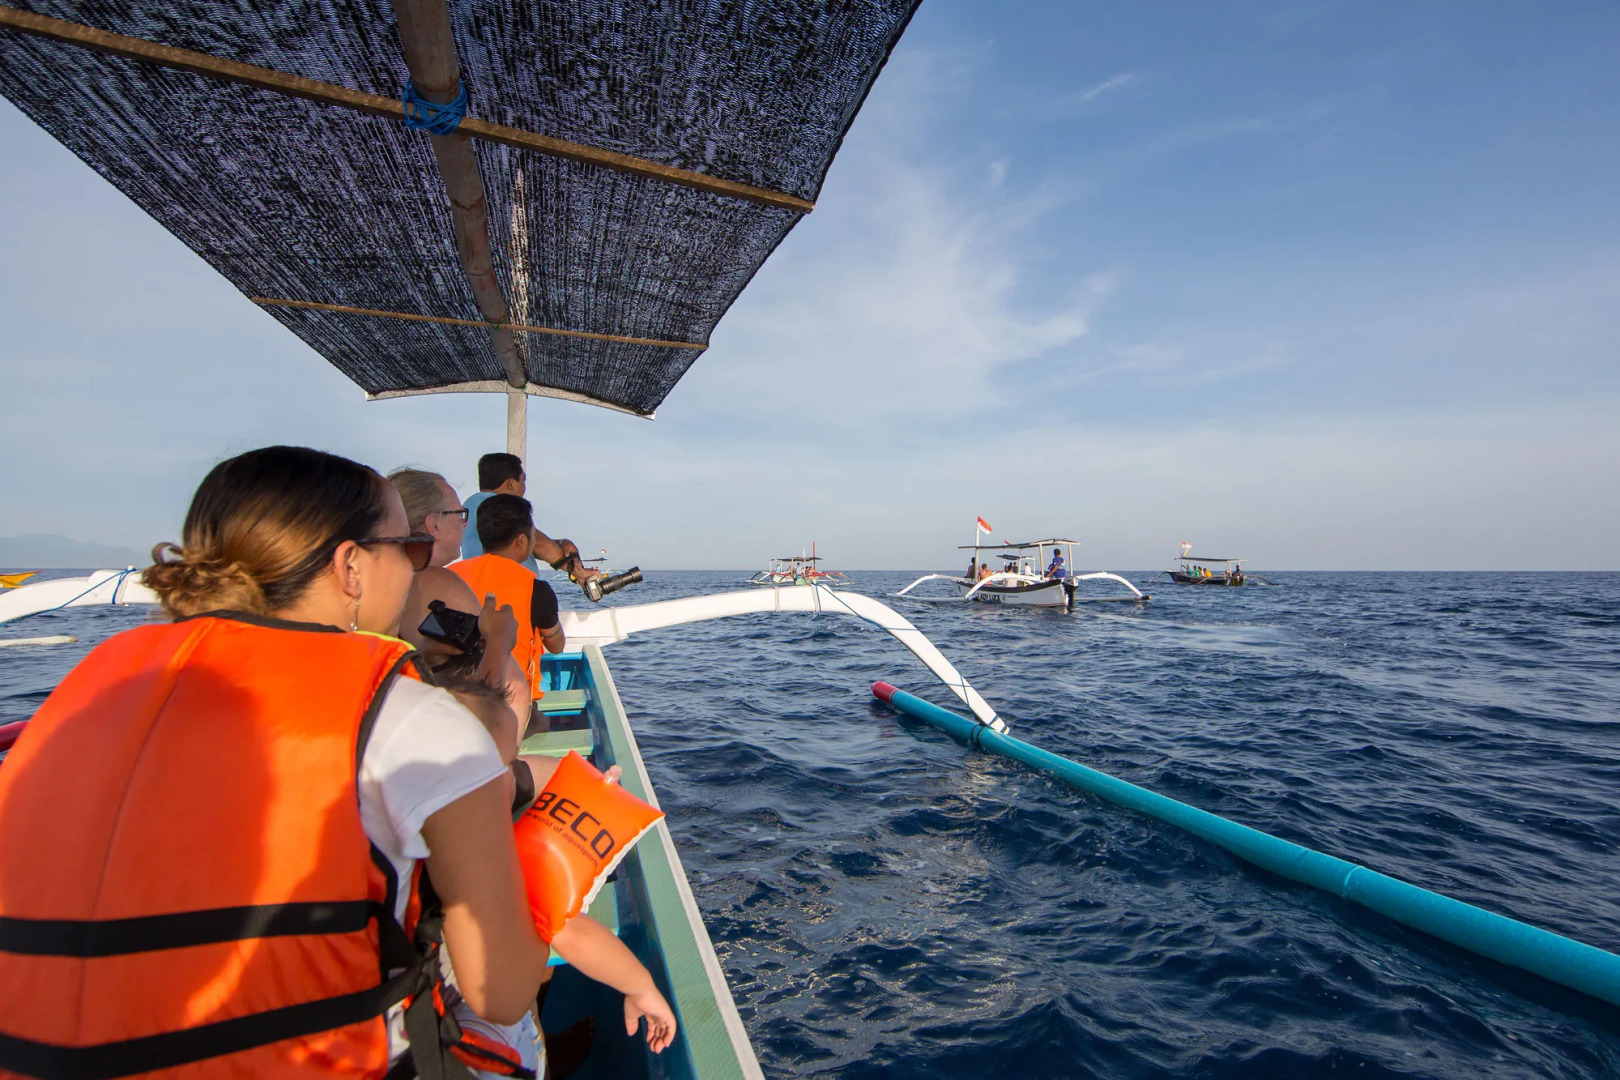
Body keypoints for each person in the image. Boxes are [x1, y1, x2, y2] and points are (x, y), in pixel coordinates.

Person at [0, 445, 551, 1076]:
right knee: (513, 1038)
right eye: (411, 550)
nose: (417, 568)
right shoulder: (402, 715)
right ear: (351, 567)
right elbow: (502, 989)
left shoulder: (87, 689)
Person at [452, 494, 566, 705]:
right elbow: (556, 645)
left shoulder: (450, 577)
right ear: (522, 541)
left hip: (456, 700)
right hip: (510, 705)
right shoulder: (535, 589)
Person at [460, 454, 599, 588]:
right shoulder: (501, 506)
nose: (524, 487)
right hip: (514, 590)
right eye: (523, 481)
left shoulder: (469, 505)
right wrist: (578, 571)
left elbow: (526, 542)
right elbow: (540, 544)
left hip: (480, 592)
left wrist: (561, 543)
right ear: (512, 484)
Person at [390, 467, 469, 568]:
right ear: (434, 525)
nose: (465, 523)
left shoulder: (377, 578)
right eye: (460, 514)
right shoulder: (445, 582)